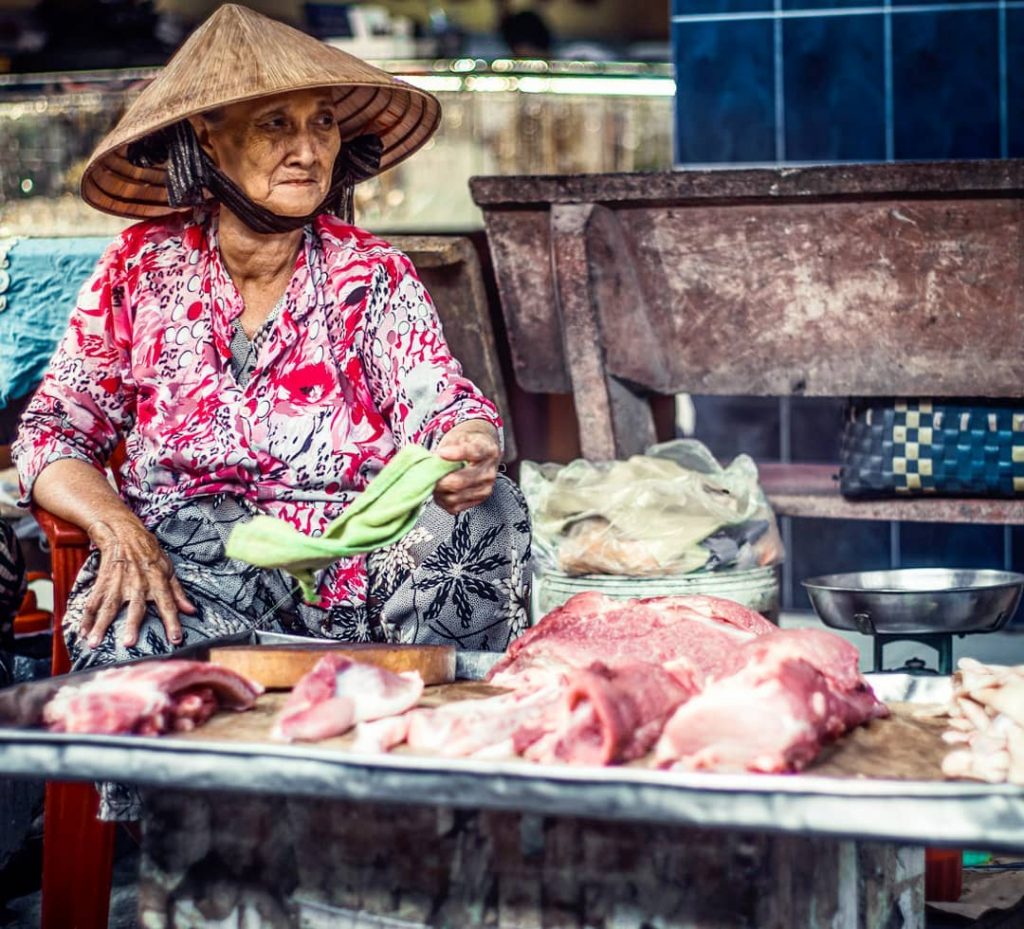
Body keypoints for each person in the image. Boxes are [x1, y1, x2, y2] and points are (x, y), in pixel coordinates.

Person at [14, 5, 531, 682]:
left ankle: (429, 770)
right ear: (209, 135)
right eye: (276, 123)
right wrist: (116, 524)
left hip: (359, 583)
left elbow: (440, 400)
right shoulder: (141, 267)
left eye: (322, 122)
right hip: (190, 579)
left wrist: (467, 441)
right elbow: (53, 433)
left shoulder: (370, 273)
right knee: (126, 624)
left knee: (488, 512)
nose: (310, 150)